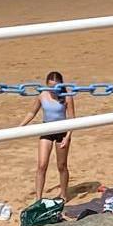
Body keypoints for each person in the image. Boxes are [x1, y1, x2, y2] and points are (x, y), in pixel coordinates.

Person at [18, 71, 73, 201]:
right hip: (46, 130)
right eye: (50, 86)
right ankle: (38, 198)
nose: (53, 89)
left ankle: (64, 194)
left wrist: (67, 137)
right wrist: (20, 127)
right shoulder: (42, 95)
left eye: (56, 86)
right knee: (42, 165)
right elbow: (32, 113)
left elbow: (72, 119)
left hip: (62, 131)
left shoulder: (67, 97)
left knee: (62, 165)